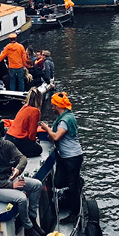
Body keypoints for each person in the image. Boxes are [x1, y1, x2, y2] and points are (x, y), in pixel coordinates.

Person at [0, 128, 45, 236]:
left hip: (8, 178)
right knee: (21, 198)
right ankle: (28, 228)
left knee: (37, 185)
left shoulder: (7, 145)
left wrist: (18, 170)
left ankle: (32, 217)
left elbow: (22, 158)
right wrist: (11, 185)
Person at [39, 92, 83, 222]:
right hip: (65, 156)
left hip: (72, 157)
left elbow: (57, 136)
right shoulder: (65, 117)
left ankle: (74, 214)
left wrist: (47, 128)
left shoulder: (64, 120)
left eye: (53, 106)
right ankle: (76, 182)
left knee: (72, 185)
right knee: (58, 182)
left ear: (58, 106)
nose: (52, 108)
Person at [6, 88, 43, 158]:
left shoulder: (24, 107)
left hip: (9, 137)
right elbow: (32, 133)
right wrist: (34, 141)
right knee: (39, 149)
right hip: (18, 140)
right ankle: (18, 155)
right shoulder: (35, 111)